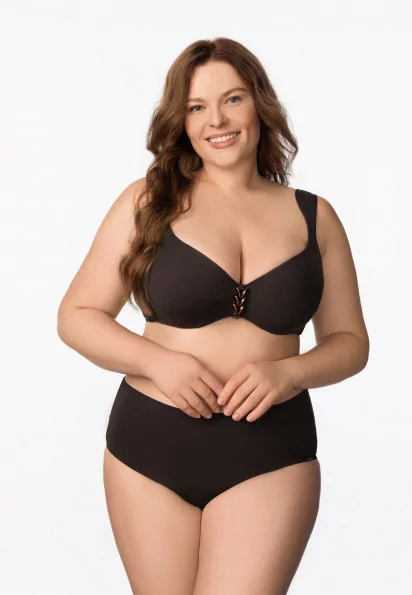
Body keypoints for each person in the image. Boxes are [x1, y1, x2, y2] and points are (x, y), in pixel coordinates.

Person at [57, 37, 369, 595]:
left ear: (260, 105)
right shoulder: (146, 202)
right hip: (150, 446)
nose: (217, 120)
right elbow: (77, 315)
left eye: (233, 99)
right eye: (197, 106)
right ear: (181, 121)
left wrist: (289, 373)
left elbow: (350, 341)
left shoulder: (315, 217)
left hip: (271, 451)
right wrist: (158, 362)